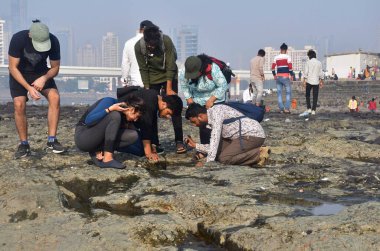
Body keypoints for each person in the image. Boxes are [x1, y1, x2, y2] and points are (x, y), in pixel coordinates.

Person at [8, 20, 65, 159]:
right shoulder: (18, 39)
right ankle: (24, 144)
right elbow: (12, 67)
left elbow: (55, 68)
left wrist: (44, 78)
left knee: (55, 97)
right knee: (19, 104)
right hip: (20, 73)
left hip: (41, 73)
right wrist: (29, 88)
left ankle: (52, 141)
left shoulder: (53, 40)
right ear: (30, 35)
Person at [134, 23, 186, 154]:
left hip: (169, 75)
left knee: (174, 107)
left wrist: (169, 88)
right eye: (149, 44)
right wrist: (147, 89)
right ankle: (154, 142)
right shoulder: (138, 47)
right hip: (152, 78)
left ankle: (179, 140)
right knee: (150, 109)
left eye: (153, 44)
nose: (151, 47)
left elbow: (171, 64)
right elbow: (143, 69)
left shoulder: (166, 41)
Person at [184, 103, 269, 167]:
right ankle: (254, 152)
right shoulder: (211, 119)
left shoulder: (216, 112)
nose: (194, 125)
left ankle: (259, 154)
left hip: (253, 134)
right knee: (219, 154)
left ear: (200, 116)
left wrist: (208, 165)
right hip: (241, 137)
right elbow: (215, 147)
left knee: (224, 158)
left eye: (194, 122)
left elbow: (215, 141)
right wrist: (195, 145)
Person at [179, 54, 228, 160]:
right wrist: (189, 100)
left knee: (216, 125)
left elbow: (223, 85)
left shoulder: (212, 68)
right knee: (203, 126)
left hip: (215, 100)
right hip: (198, 101)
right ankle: (204, 150)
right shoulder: (183, 72)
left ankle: (219, 148)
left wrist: (211, 99)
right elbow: (184, 87)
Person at [75, 95, 145, 169]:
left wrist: (147, 149)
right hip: (83, 137)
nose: (135, 120)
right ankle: (107, 159)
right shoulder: (109, 101)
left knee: (133, 135)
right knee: (115, 115)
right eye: (137, 116)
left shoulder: (125, 117)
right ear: (132, 110)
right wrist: (109, 109)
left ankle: (97, 150)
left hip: (96, 140)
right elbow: (88, 121)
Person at [117, 87, 183, 162]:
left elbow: (152, 124)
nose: (167, 116)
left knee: (142, 143)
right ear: (164, 104)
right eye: (168, 113)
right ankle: (112, 146)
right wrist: (148, 154)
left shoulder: (154, 96)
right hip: (117, 122)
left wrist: (153, 144)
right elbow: (146, 128)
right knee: (141, 150)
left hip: (123, 122)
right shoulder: (150, 103)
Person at [120, 20, 154, 87]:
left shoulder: (128, 43)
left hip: (136, 84)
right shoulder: (154, 43)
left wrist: (124, 83)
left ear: (139, 30)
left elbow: (125, 65)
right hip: (152, 84)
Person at [300, 49, 324, 116]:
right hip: (316, 81)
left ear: (309, 56)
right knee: (315, 96)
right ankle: (313, 110)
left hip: (309, 81)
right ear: (315, 55)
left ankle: (309, 108)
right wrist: (321, 81)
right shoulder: (319, 63)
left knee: (307, 95)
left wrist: (304, 80)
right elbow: (321, 73)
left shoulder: (308, 62)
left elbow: (306, 72)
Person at [271, 43, 294, 114]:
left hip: (278, 77)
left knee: (279, 93)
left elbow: (272, 68)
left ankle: (281, 109)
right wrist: (292, 75)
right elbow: (290, 68)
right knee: (288, 92)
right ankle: (286, 109)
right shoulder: (288, 57)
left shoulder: (276, 57)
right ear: (286, 50)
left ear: (280, 50)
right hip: (285, 76)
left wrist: (274, 75)